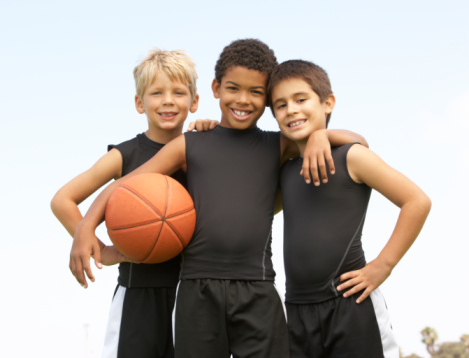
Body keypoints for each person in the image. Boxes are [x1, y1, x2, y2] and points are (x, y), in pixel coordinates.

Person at [70, 39, 367, 358]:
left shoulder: (277, 145)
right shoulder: (190, 144)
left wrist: (320, 135)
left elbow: (358, 142)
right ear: (215, 88)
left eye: (256, 92)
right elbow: (126, 185)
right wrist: (86, 227)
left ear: (267, 99)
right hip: (197, 291)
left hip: (258, 289)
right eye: (233, 88)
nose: (243, 99)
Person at [50, 48, 217, 358]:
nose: (168, 100)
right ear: (140, 103)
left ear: (194, 102)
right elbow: (63, 200)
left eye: (179, 92)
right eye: (157, 93)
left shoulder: (205, 150)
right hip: (138, 293)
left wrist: (211, 130)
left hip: (194, 290)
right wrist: (103, 249)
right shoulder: (124, 155)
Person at [267, 59, 432, 358]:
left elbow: (417, 201)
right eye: (280, 105)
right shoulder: (285, 169)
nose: (290, 109)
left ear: (327, 102)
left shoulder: (351, 157)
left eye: (300, 99)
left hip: (352, 305)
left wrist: (382, 266)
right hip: (296, 312)